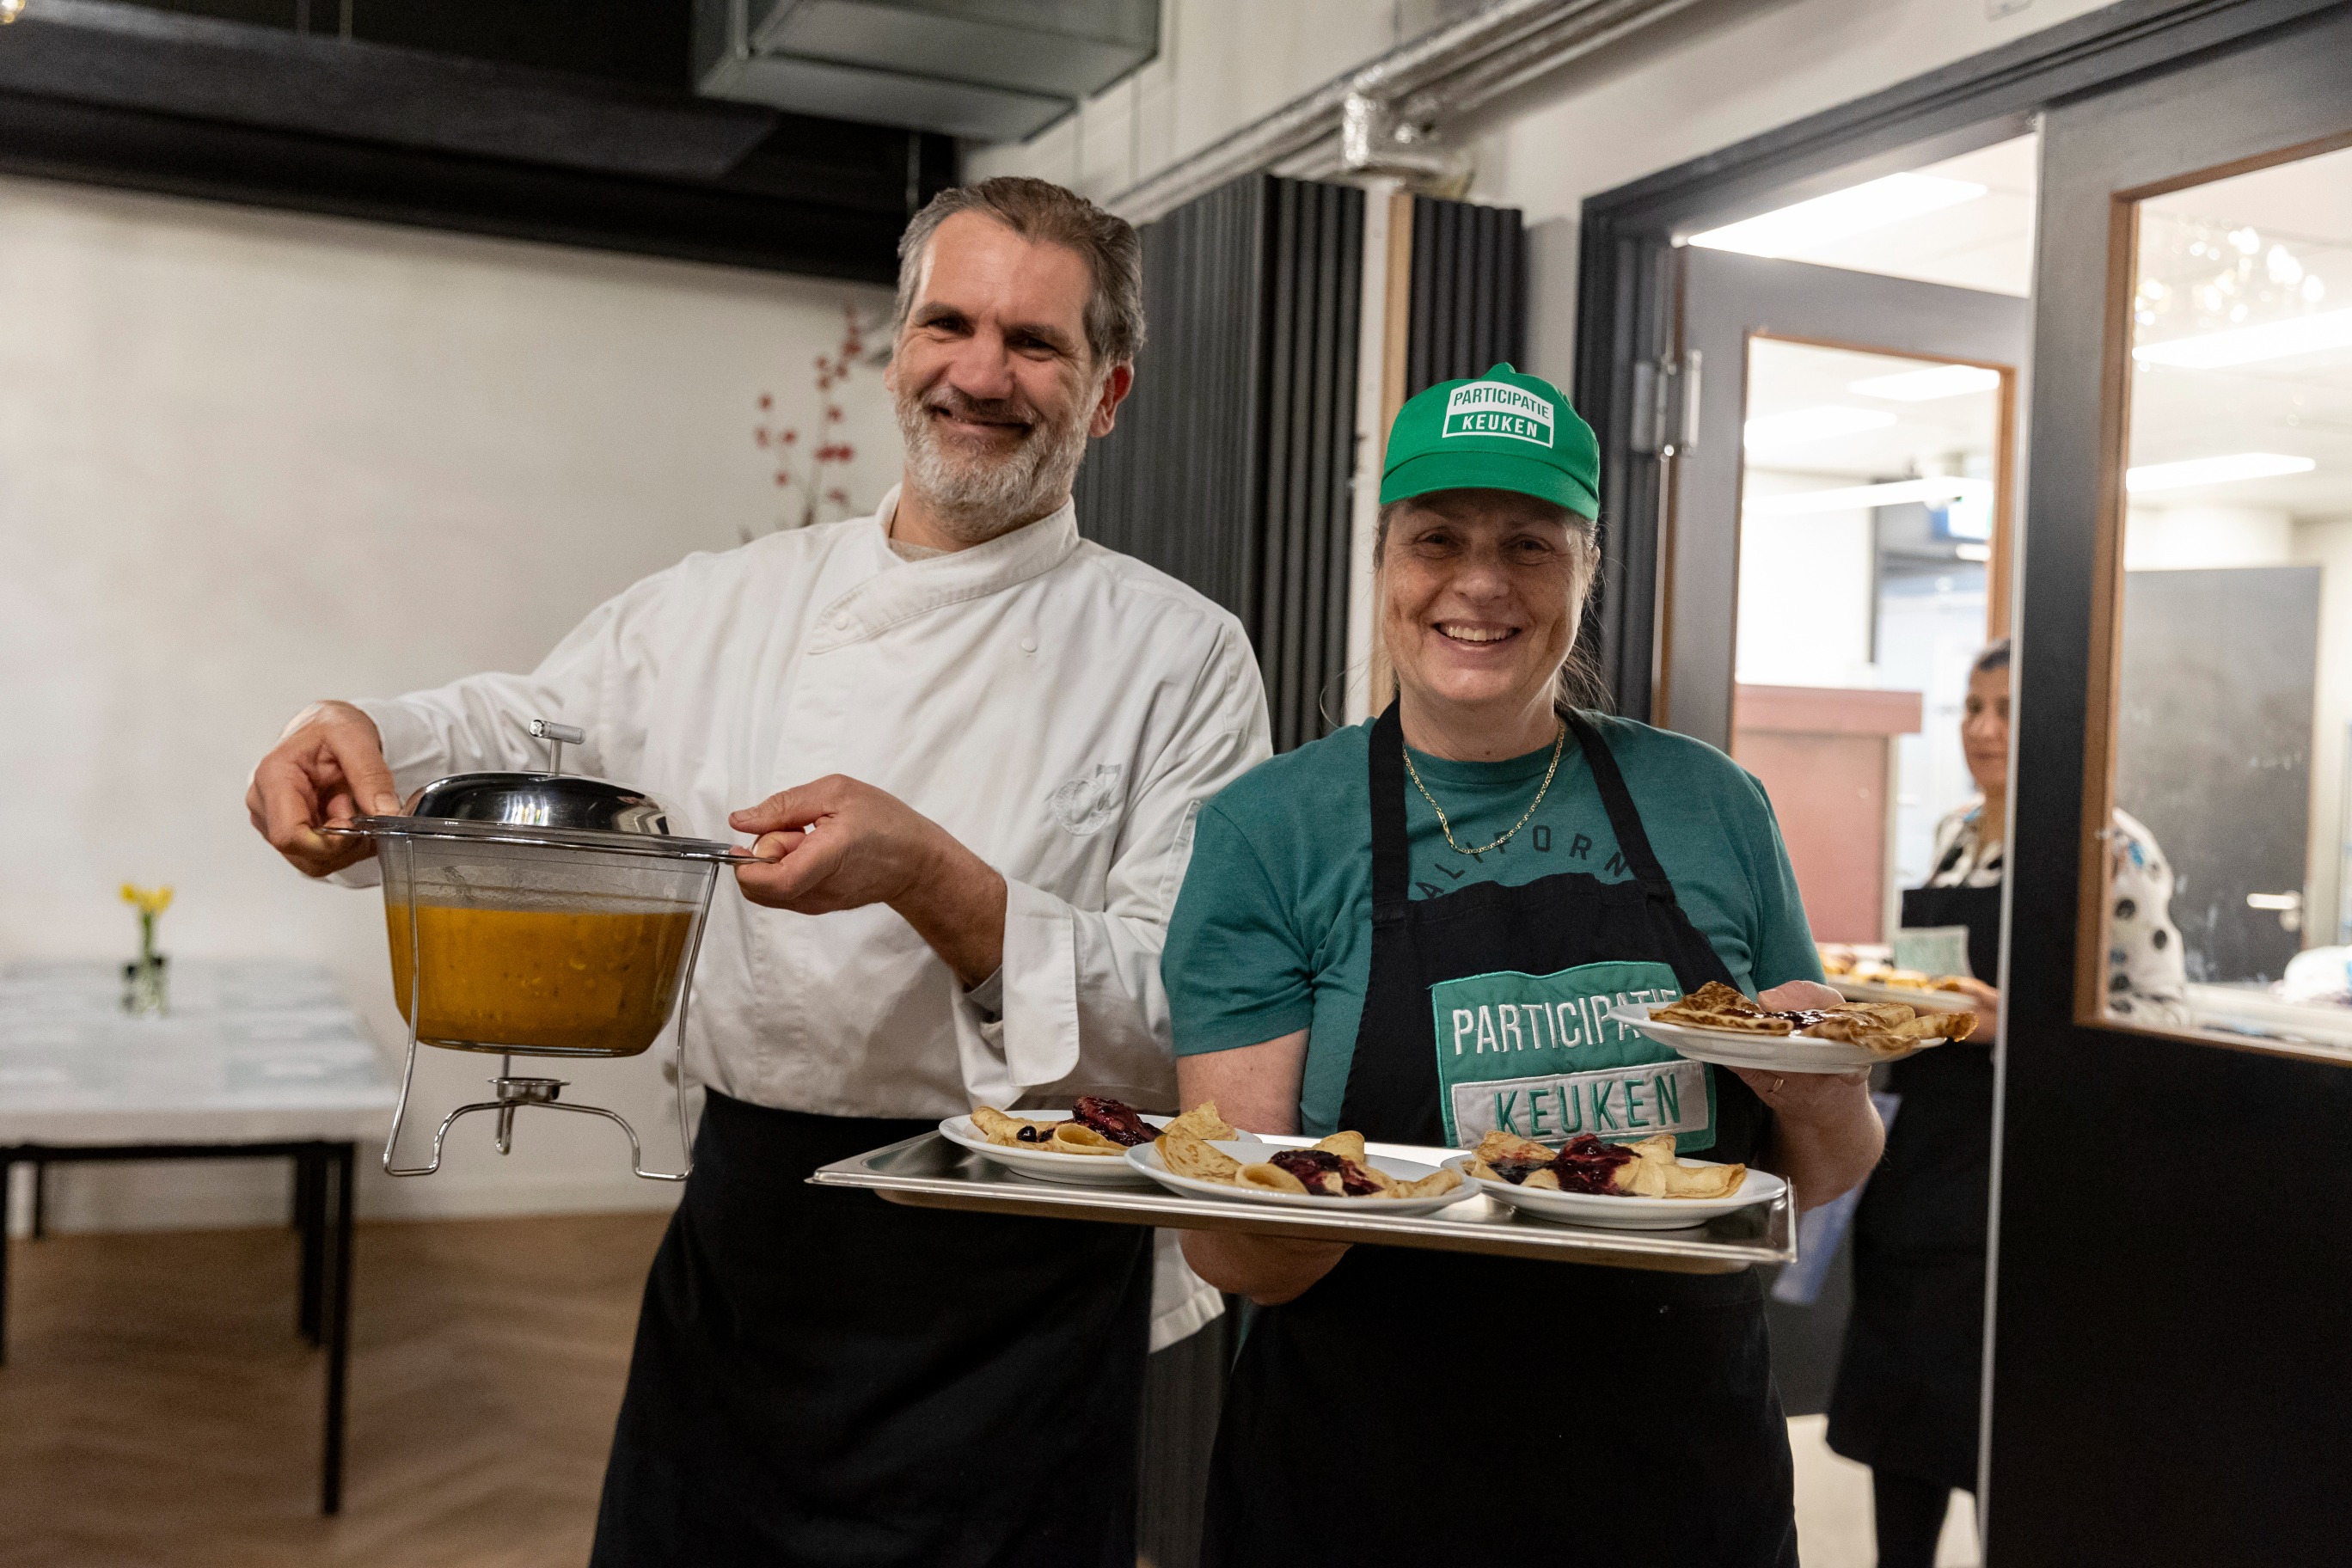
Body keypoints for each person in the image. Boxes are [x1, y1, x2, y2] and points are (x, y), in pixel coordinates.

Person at [245, 177, 1271, 1568]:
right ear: (898, 350)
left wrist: (933, 875)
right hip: (749, 1243)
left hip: (1017, 1272)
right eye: (950, 325)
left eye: (1035, 342)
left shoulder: (1179, 655)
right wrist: (366, 737)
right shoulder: (728, 601)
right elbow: (534, 730)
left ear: (1107, 393)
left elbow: (1181, 1016)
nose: (980, 373)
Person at [1159, 364, 1886, 1566]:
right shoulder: (1271, 833)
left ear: (1586, 570)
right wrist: (1386, 1193)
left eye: (1531, 546)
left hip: (1678, 1480)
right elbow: (1236, 1252)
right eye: (1437, 538)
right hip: (1369, 1482)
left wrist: (1818, 1090)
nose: (1482, 582)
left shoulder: (1712, 804)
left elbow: (1823, 1172)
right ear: (1385, 563)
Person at [1827, 636, 2187, 1567]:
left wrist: (2014, 1028)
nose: (1983, 731)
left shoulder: (2111, 848)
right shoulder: (1956, 835)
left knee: (2007, 1432)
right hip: (1920, 1158)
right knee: (1903, 1414)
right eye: (1972, 709)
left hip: (2022, 1173)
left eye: (2008, 711)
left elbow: (2160, 1015)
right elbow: (1932, 981)